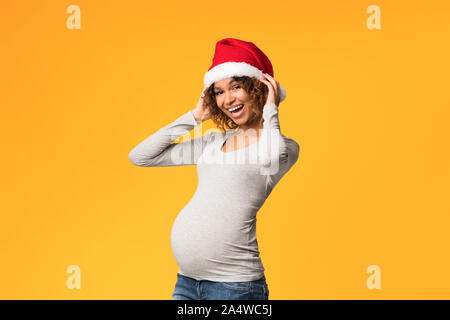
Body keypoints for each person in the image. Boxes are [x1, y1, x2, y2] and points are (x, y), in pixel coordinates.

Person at [128, 38, 300, 300]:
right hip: (187, 283)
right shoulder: (214, 141)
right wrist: (194, 118)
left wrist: (271, 108)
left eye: (236, 87)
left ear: (259, 89)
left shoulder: (284, 147)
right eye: (218, 91)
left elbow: (271, 157)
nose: (227, 99)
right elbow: (141, 156)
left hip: (235, 287)